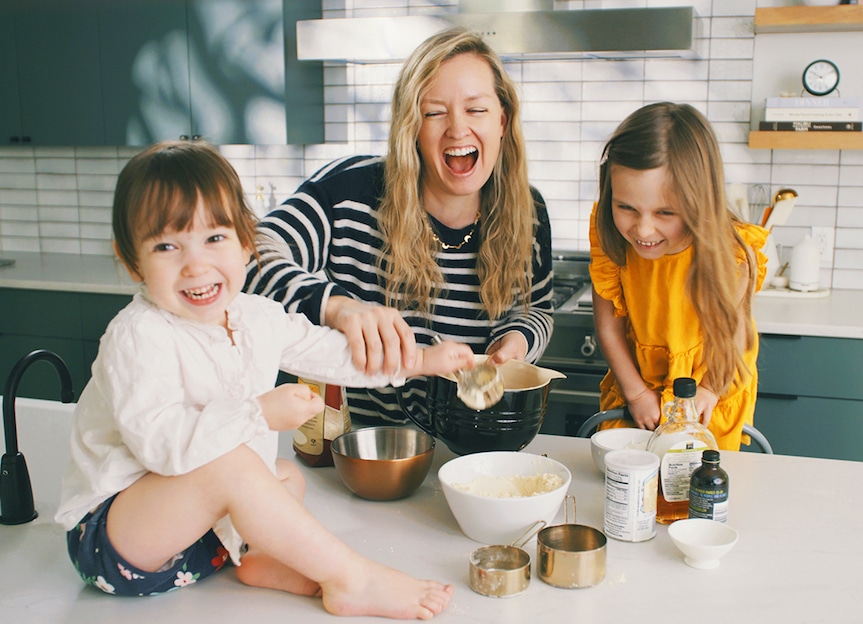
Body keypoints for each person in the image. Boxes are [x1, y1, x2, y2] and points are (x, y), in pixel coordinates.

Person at [55, 141, 473, 619]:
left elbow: (332, 354)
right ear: (132, 261)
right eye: (167, 246)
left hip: (196, 547)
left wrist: (422, 360)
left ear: (247, 242)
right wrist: (259, 414)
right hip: (117, 545)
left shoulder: (255, 316)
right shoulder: (138, 336)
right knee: (234, 466)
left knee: (284, 477)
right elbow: (163, 448)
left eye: (214, 238)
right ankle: (352, 579)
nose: (195, 264)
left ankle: (258, 558)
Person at [245, 27, 554, 428]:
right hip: (369, 454)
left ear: (502, 120)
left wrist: (516, 344)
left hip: (473, 452)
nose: (457, 129)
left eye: (476, 109)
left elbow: (537, 310)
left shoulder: (528, 211)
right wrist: (337, 307)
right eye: (434, 112)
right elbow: (247, 255)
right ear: (412, 127)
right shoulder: (349, 191)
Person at [589, 102, 769, 451]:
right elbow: (608, 327)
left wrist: (709, 391)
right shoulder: (611, 243)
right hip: (638, 391)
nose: (643, 228)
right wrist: (637, 393)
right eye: (626, 207)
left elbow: (731, 337)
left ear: (700, 201)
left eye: (665, 212)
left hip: (708, 392)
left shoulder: (729, 256)